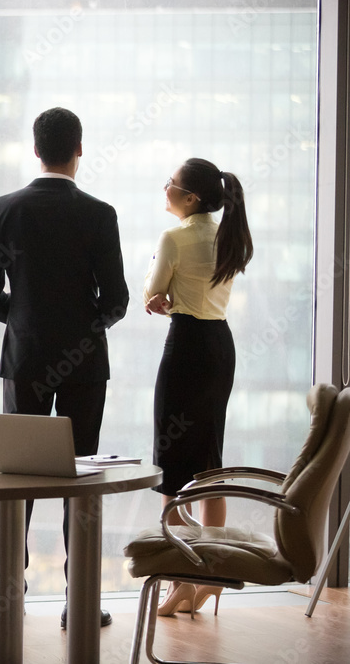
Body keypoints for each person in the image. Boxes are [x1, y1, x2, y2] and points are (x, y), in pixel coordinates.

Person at [0, 107, 129, 629]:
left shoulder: (2, 209)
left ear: (35, 150)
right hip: (84, 364)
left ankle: (9, 597)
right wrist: (85, 326)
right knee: (81, 477)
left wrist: (22, 318)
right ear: (79, 148)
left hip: (25, 360)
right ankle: (79, 600)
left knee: (19, 478)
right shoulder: (100, 213)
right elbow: (119, 298)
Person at [143, 158, 253, 617]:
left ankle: (179, 580)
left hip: (187, 345)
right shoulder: (228, 234)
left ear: (190, 198)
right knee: (209, 459)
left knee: (173, 466)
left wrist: (158, 298)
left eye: (171, 184)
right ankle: (206, 578)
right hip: (219, 346)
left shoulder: (175, 237)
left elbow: (153, 294)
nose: (164, 188)